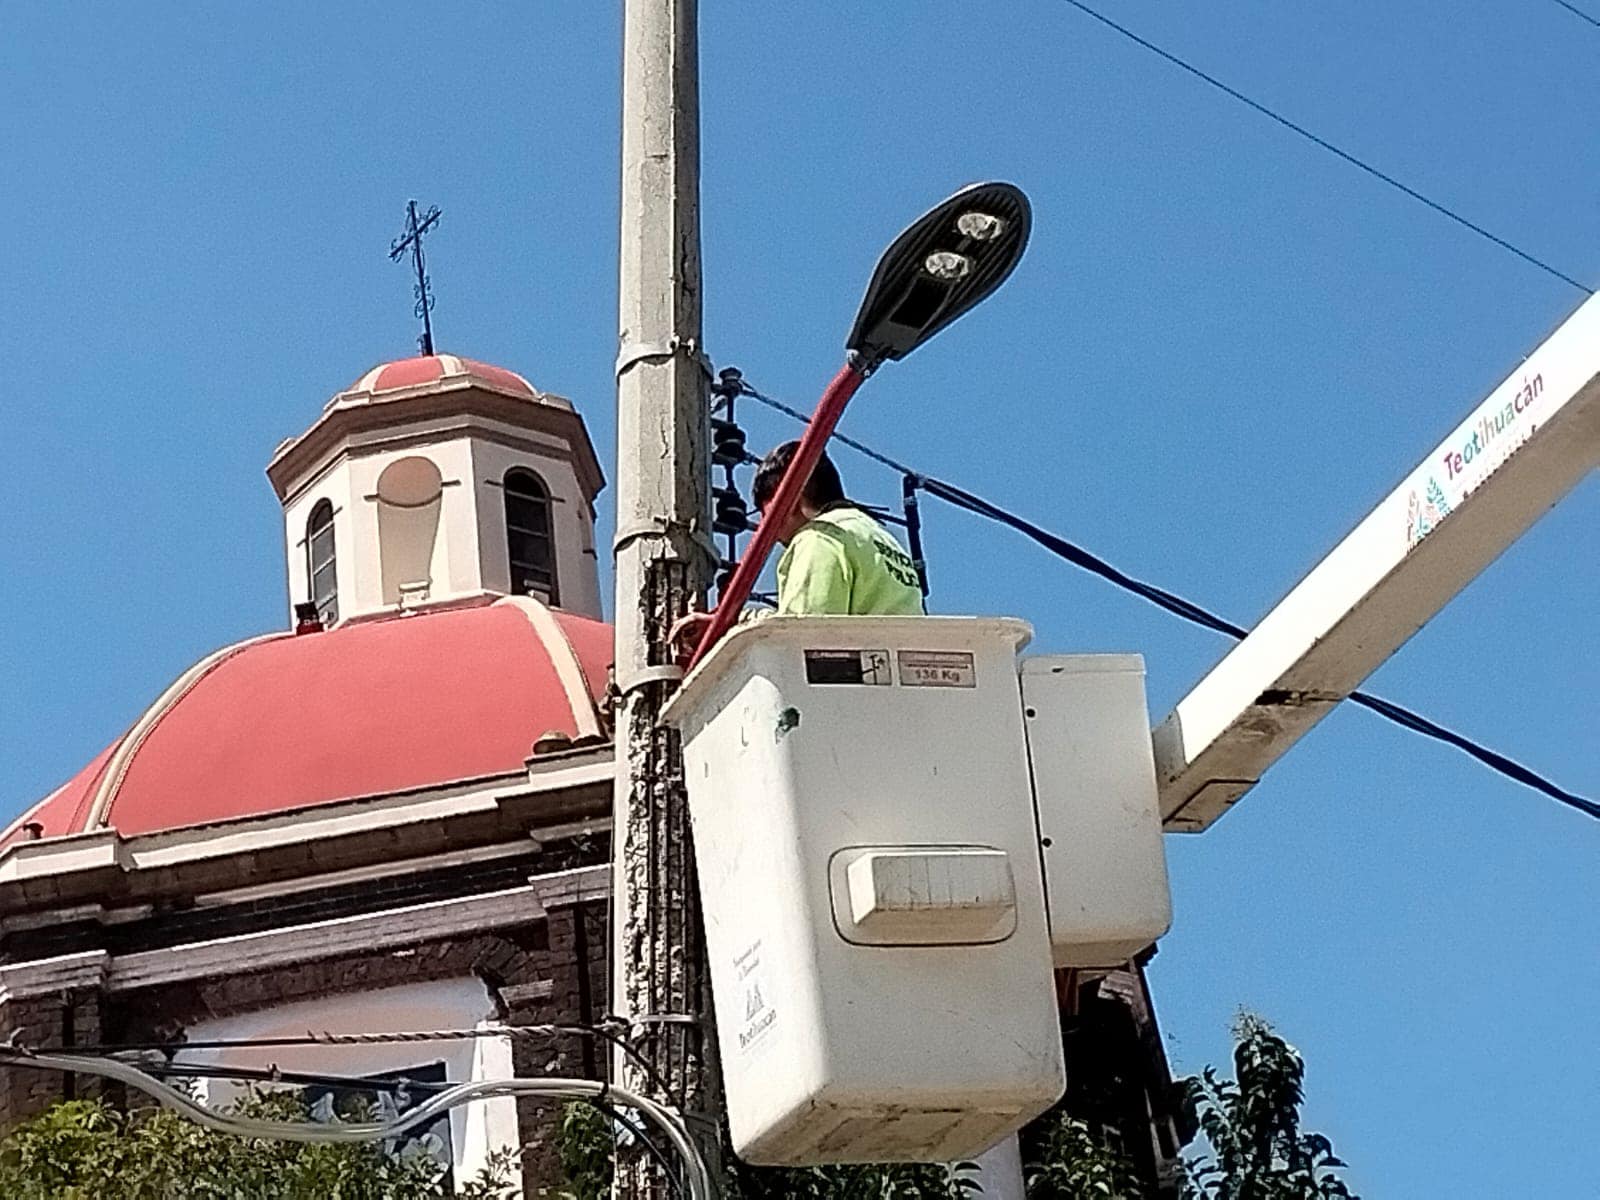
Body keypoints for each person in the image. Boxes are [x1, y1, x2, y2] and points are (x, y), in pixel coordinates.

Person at [672, 441, 924, 656]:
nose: (764, 527)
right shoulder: (877, 537)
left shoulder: (818, 539)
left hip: (850, 697)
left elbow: (799, 636)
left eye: (764, 511)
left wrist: (732, 627)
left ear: (789, 498)